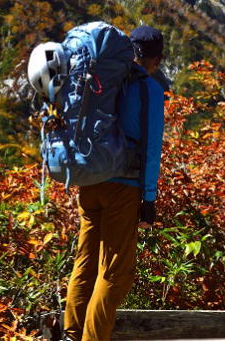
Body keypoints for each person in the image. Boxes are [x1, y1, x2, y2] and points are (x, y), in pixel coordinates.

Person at [63, 25, 166, 341]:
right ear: (157, 59)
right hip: (123, 185)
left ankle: (70, 332)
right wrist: (148, 199)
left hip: (90, 179)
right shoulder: (149, 88)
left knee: (85, 261)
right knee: (114, 272)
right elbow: (151, 148)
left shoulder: (103, 79)